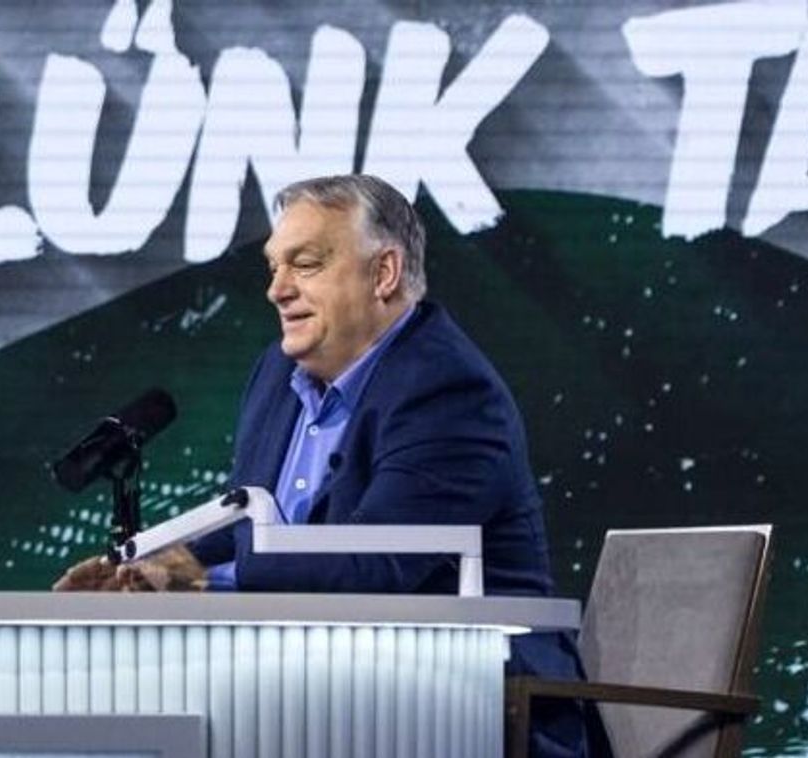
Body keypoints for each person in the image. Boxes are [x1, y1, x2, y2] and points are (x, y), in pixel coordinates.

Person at [55, 173, 588, 756]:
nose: (276, 290)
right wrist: (154, 572)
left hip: (476, 701)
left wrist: (203, 581)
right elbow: (245, 529)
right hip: (327, 682)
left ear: (383, 273)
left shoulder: (447, 390)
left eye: (304, 265)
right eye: (273, 267)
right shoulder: (276, 375)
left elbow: (376, 567)